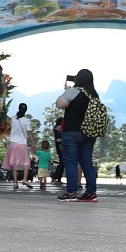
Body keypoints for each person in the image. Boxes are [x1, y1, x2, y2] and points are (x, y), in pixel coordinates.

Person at [54, 69, 99, 202]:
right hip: (89, 133)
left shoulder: (74, 91)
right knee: (87, 162)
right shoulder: (94, 95)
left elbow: (60, 104)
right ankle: (91, 192)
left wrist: (67, 91)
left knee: (71, 162)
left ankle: (72, 192)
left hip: (72, 132)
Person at [3, 103, 34, 190]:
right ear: (26, 110)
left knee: (15, 164)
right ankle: (24, 179)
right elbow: (29, 133)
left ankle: (15, 183)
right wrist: (33, 144)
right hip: (22, 144)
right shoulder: (27, 120)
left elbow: (10, 125)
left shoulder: (13, 118)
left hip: (13, 144)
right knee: (26, 163)